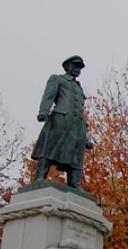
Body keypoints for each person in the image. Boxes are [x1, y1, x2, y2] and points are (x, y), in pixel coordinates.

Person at [32, 55, 93, 188]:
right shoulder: (57, 79)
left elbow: (80, 109)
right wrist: (43, 112)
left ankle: (74, 184)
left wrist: (86, 136)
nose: (78, 70)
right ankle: (40, 177)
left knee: (76, 155)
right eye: (75, 66)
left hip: (77, 125)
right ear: (67, 66)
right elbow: (48, 96)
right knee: (49, 147)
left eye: (80, 68)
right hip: (60, 119)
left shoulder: (78, 87)